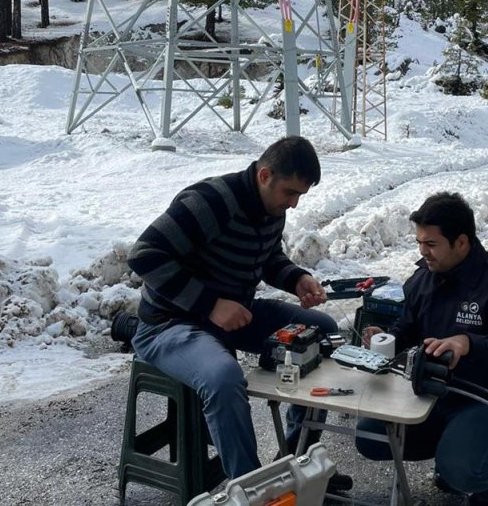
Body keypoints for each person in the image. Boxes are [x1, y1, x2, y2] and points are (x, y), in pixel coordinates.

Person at [127, 136, 346, 485]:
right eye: (289, 193)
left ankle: (294, 460)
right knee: (224, 378)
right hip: (170, 323)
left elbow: (268, 257)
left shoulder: (271, 208)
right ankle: (253, 489)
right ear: (264, 175)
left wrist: (297, 278)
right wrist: (210, 305)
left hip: (233, 314)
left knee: (321, 331)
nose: (293, 204)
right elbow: (144, 255)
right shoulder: (210, 201)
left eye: (300, 196)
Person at [357, 192, 488, 506]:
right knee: (370, 438)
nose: (423, 252)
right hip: (434, 390)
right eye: (419, 243)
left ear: (461, 242)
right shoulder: (421, 281)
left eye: (431, 244)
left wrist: (470, 344)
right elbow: (408, 329)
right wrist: (385, 336)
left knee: (461, 469)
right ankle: (456, 448)